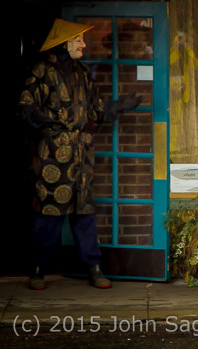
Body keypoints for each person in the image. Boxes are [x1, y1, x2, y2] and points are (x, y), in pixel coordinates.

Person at [19, 18, 141, 290]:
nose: (84, 45)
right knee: (48, 212)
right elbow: (26, 104)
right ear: (65, 44)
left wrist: (120, 105)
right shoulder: (43, 70)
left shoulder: (83, 73)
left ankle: (93, 267)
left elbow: (96, 108)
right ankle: (38, 268)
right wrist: (42, 121)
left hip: (81, 154)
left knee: (84, 213)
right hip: (53, 154)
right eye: (78, 40)